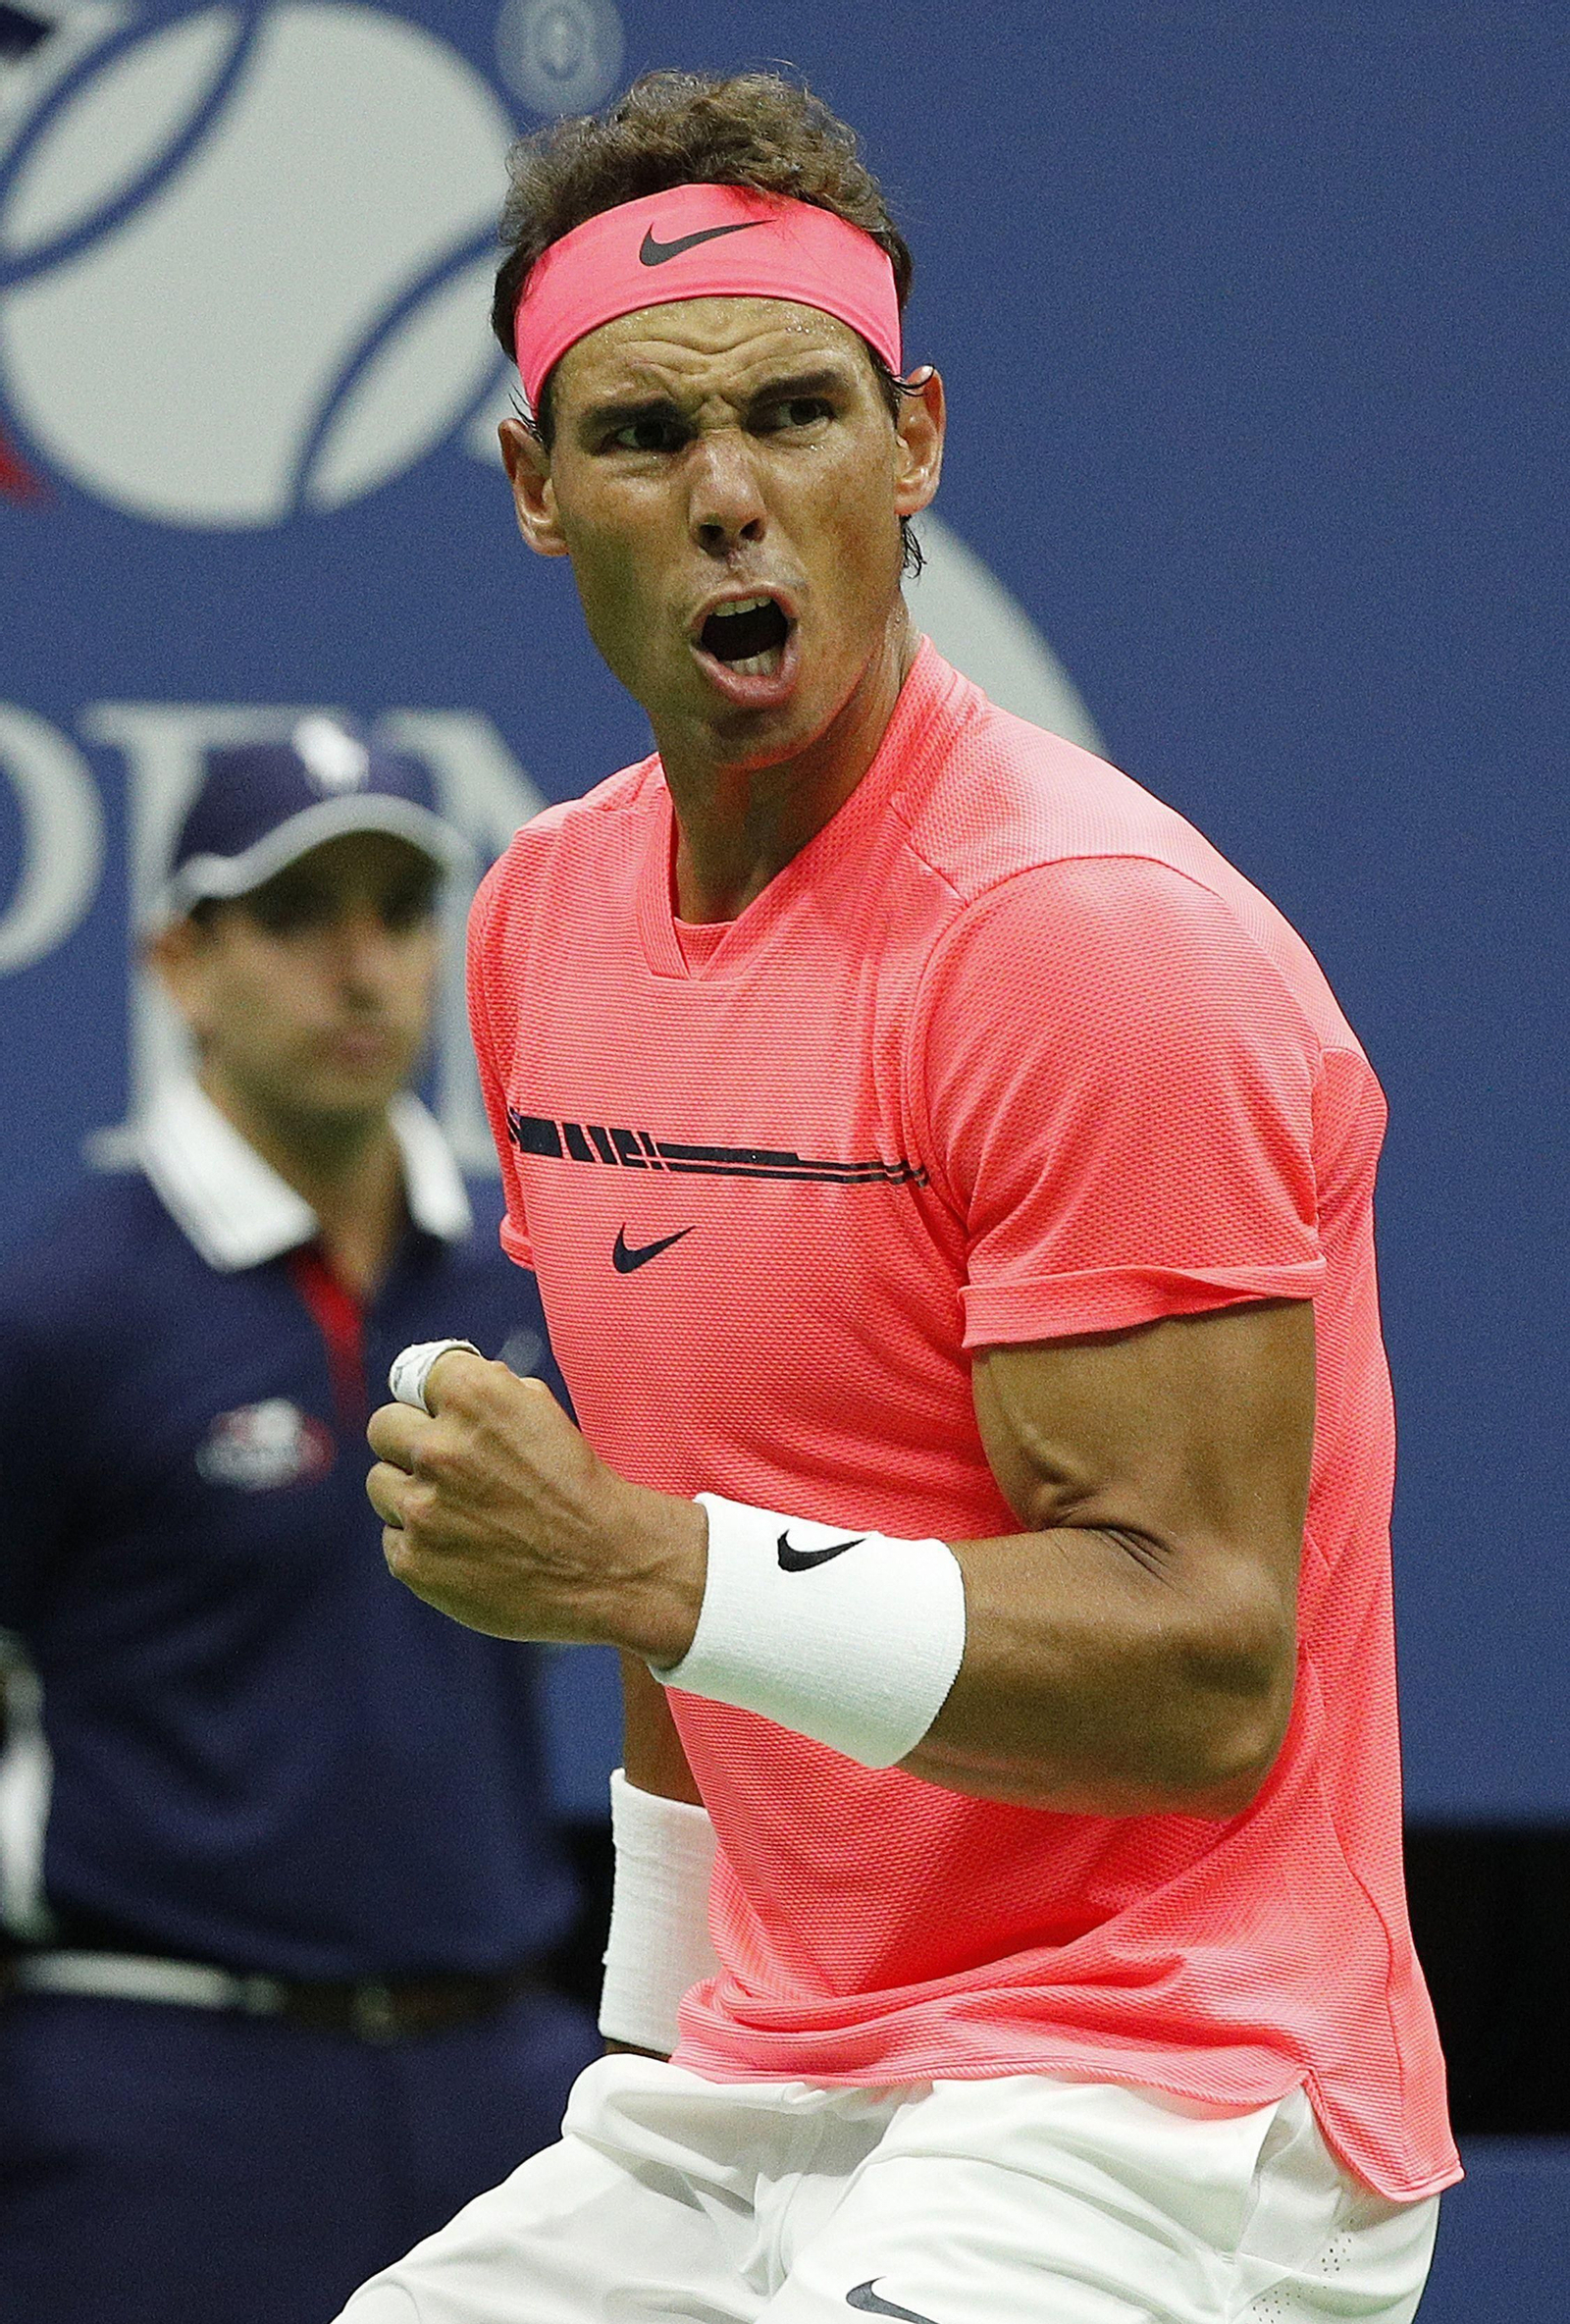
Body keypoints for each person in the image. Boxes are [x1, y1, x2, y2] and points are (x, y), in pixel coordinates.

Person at [342, 71, 1458, 2324]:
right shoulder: (543, 915)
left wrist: (648, 1562)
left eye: (796, 413)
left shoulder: (1084, 940)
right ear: (537, 489)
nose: (731, 495)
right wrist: (658, 2046)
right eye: (646, 436)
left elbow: (1200, 1667)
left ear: (912, 442)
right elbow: (681, 1555)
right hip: (773, 2072)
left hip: (1164, 2090)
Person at [0, 726, 601, 2324]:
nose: (361, 966)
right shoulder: (61, 1316)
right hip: (153, 2102)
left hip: (509, 2090)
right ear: (179, 965)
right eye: (294, 914)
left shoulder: (531, 1291)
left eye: (398, 912)